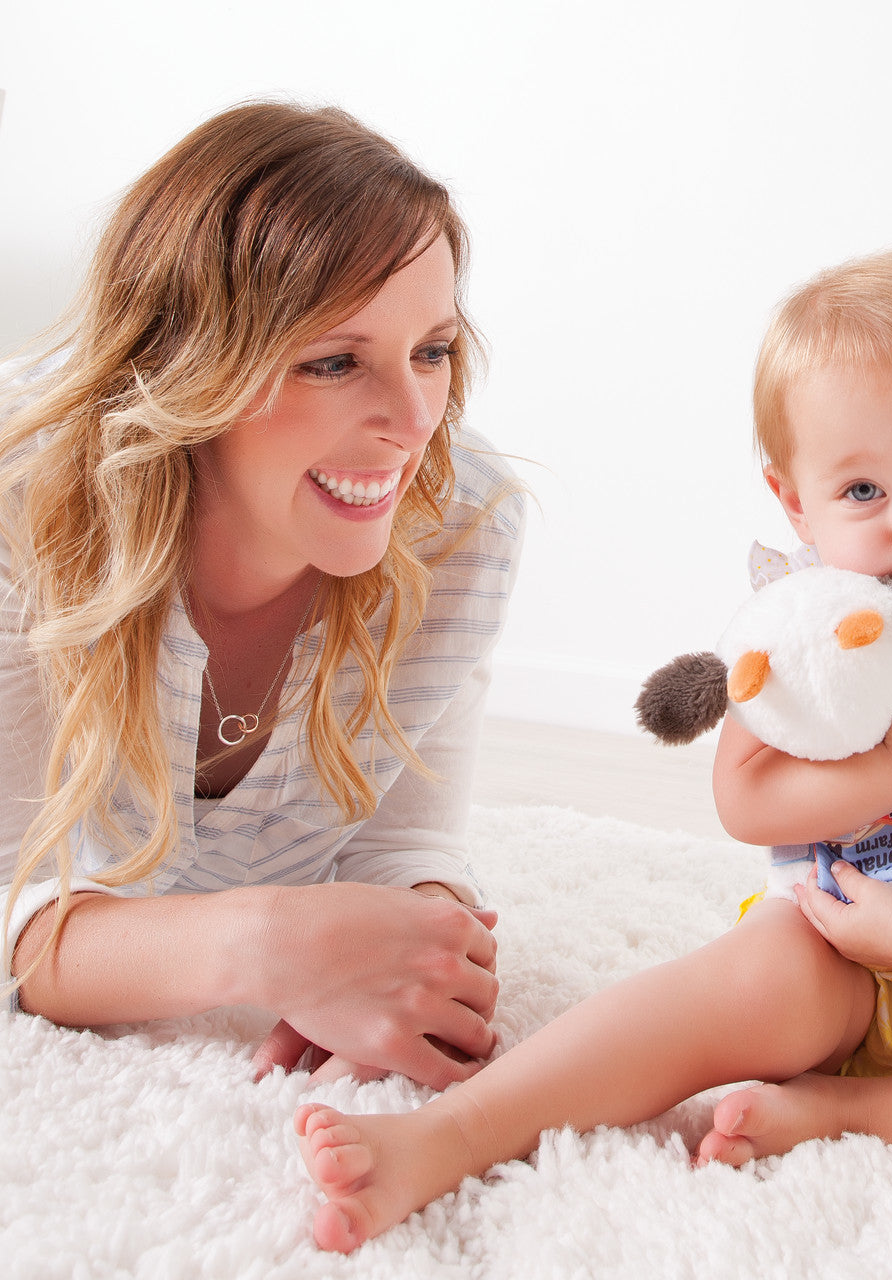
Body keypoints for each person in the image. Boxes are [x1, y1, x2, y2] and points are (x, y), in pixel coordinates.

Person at [294, 249, 892, 1253]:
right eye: (862, 488)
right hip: (835, 948)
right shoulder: (801, 618)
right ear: (794, 502)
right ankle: (450, 1130)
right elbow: (747, 799)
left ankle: (846, 1112)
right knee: (732, 983)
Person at [1, 101, 523, 1089]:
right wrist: (265, 942)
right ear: (188, 368)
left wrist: (422, 947)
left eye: (432, 349)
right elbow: (10, 901)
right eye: (334, 361)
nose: (416, 421)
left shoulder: (464, 523)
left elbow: (404, 836)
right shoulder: (22, 502)